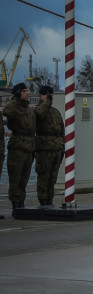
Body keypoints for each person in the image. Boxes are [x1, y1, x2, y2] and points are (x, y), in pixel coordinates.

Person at [4, 82, 35, 211]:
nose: (27, 93)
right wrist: (16, 100)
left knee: (24, 178)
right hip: (17, 147)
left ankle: (21, 202)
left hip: (29, 146)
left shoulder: (29, 110)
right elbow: (7, 111)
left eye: (27, 91)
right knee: (15, 177)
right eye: (24, 91)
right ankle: (15, 204)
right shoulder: (14, 107)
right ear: (18, 93)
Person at [32, 85, 64, 207]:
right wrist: (46, 102)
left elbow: (61, 129)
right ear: (41, 96)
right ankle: (43, 200)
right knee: (43, 176)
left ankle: (50, 199)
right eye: (48, 95)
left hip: (56, 148)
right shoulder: (38, 110)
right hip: (44, 149)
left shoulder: (55, 112)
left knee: (53, 177)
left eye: (51, 95)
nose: (51, 97)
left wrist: (63, 145)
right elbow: (39, 114)